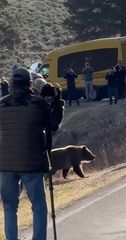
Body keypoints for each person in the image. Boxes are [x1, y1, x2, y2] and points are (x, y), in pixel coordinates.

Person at [0, 68, 64, 240]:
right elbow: (53, 126)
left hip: (5, 164)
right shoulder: (38, 104)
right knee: (38, 206)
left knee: (9, 207)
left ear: (11, 84)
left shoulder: (1, 104)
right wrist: (58, 102)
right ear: (30, 84)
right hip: (32, 162)